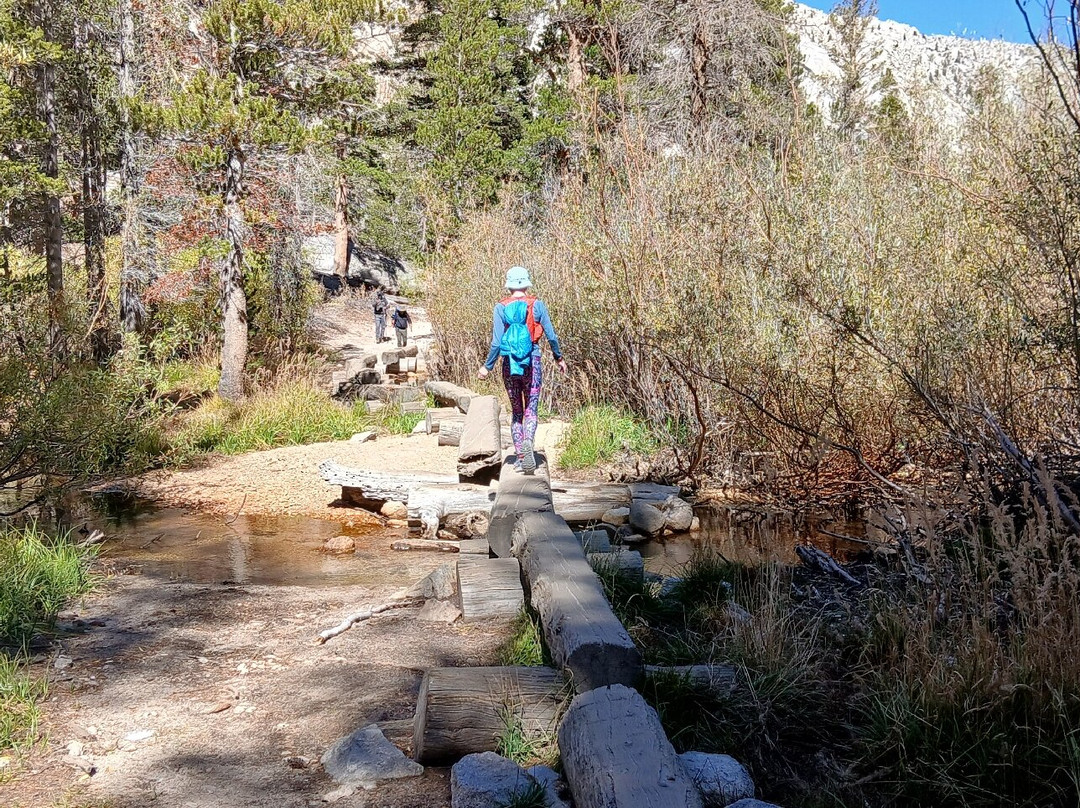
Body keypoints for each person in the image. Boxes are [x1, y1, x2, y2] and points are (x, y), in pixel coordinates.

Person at [478, 266, 566, 474]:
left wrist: (486, 367)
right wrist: (558, 357)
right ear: (527, 283)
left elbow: (497, 343)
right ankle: (529, 444)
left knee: (517, 411)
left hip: (509, 364)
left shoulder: (500, 307)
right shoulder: (537, 305)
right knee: (531, 410)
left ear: (508, 285)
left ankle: (520, 457)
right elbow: (551, 336)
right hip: (533, 361)